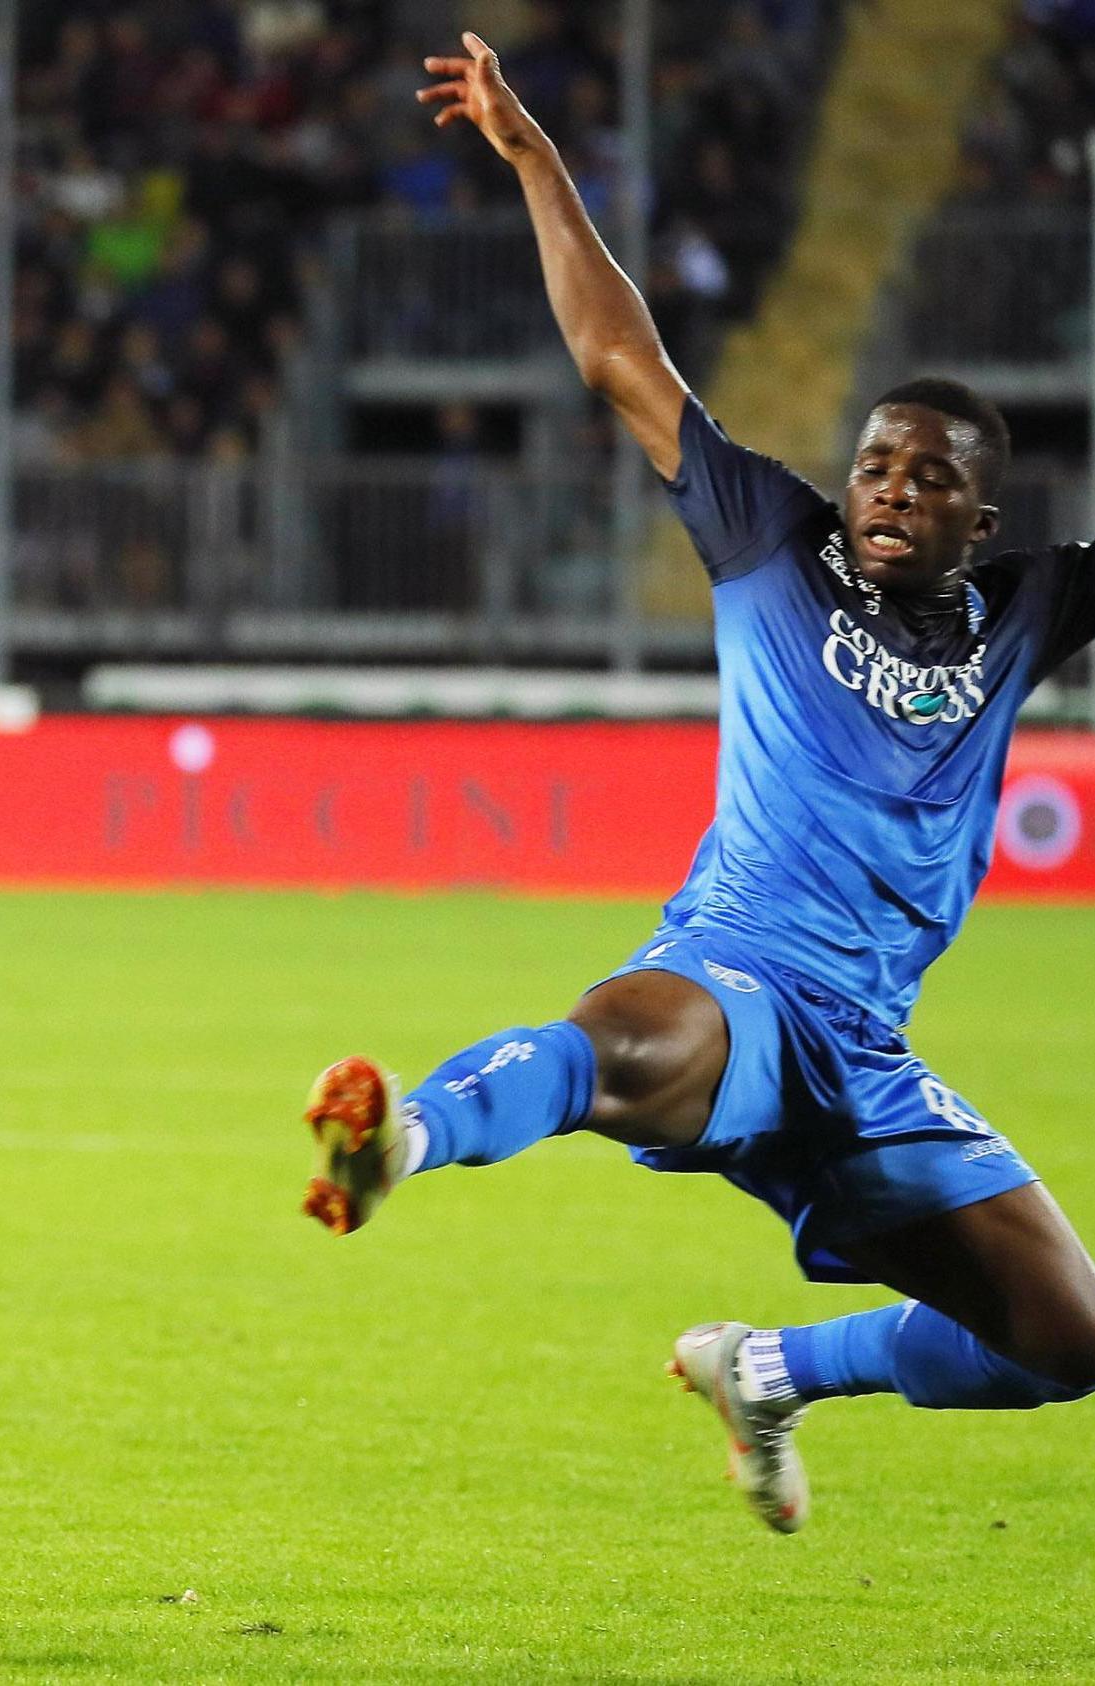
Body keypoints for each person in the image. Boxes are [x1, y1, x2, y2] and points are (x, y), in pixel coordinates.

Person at [300, 35, 1095, 1535]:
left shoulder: (1029, 609)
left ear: (979, 517)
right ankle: (400, 1134)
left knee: (1066, 1338)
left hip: (870, 1052)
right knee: (618, 1043)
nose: (888, 491)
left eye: (928, 479)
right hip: (738, 967)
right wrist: (536, 160)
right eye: (874, 462)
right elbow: (618, 360)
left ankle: (772, 1365)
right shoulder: (770, 539)